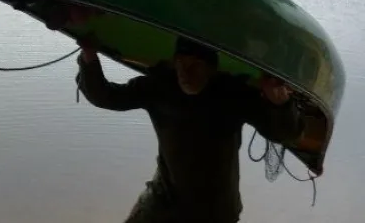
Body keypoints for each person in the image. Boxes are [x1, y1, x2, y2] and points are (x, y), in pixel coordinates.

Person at [75, 35, 305, 223]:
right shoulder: (159, 86)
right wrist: (89, 56)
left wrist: (280, 102)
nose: (186, 73)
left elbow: (285, 134)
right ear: (174, 63)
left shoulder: (232, 95)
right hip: (165, 199)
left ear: (212, 70)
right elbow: (106, 97)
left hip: (215, 211)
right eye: (181, 64)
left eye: (195, 66)